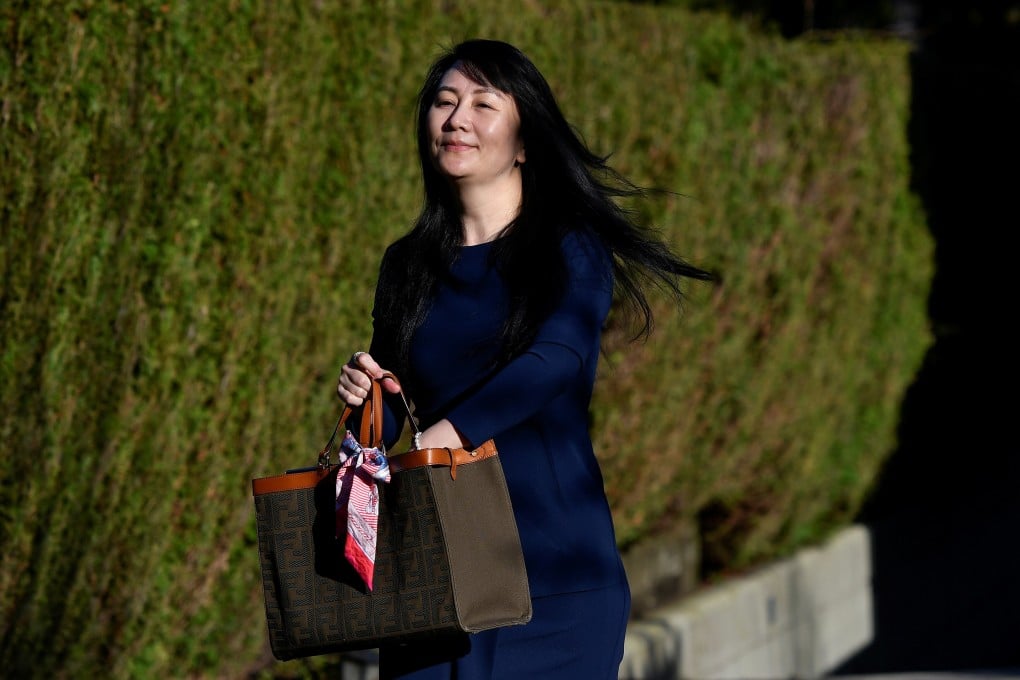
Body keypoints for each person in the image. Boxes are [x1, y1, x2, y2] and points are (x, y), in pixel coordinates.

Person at [336, 38, 714, 680]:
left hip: (556, 584)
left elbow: (557, 359)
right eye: (444, 102)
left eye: (483, 104)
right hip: (434, 588)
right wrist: (366, 399)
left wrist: (449, 436)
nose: (457, 119)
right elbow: (393, 420)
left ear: (524, 143)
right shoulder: (407, 264)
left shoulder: (569, 248)